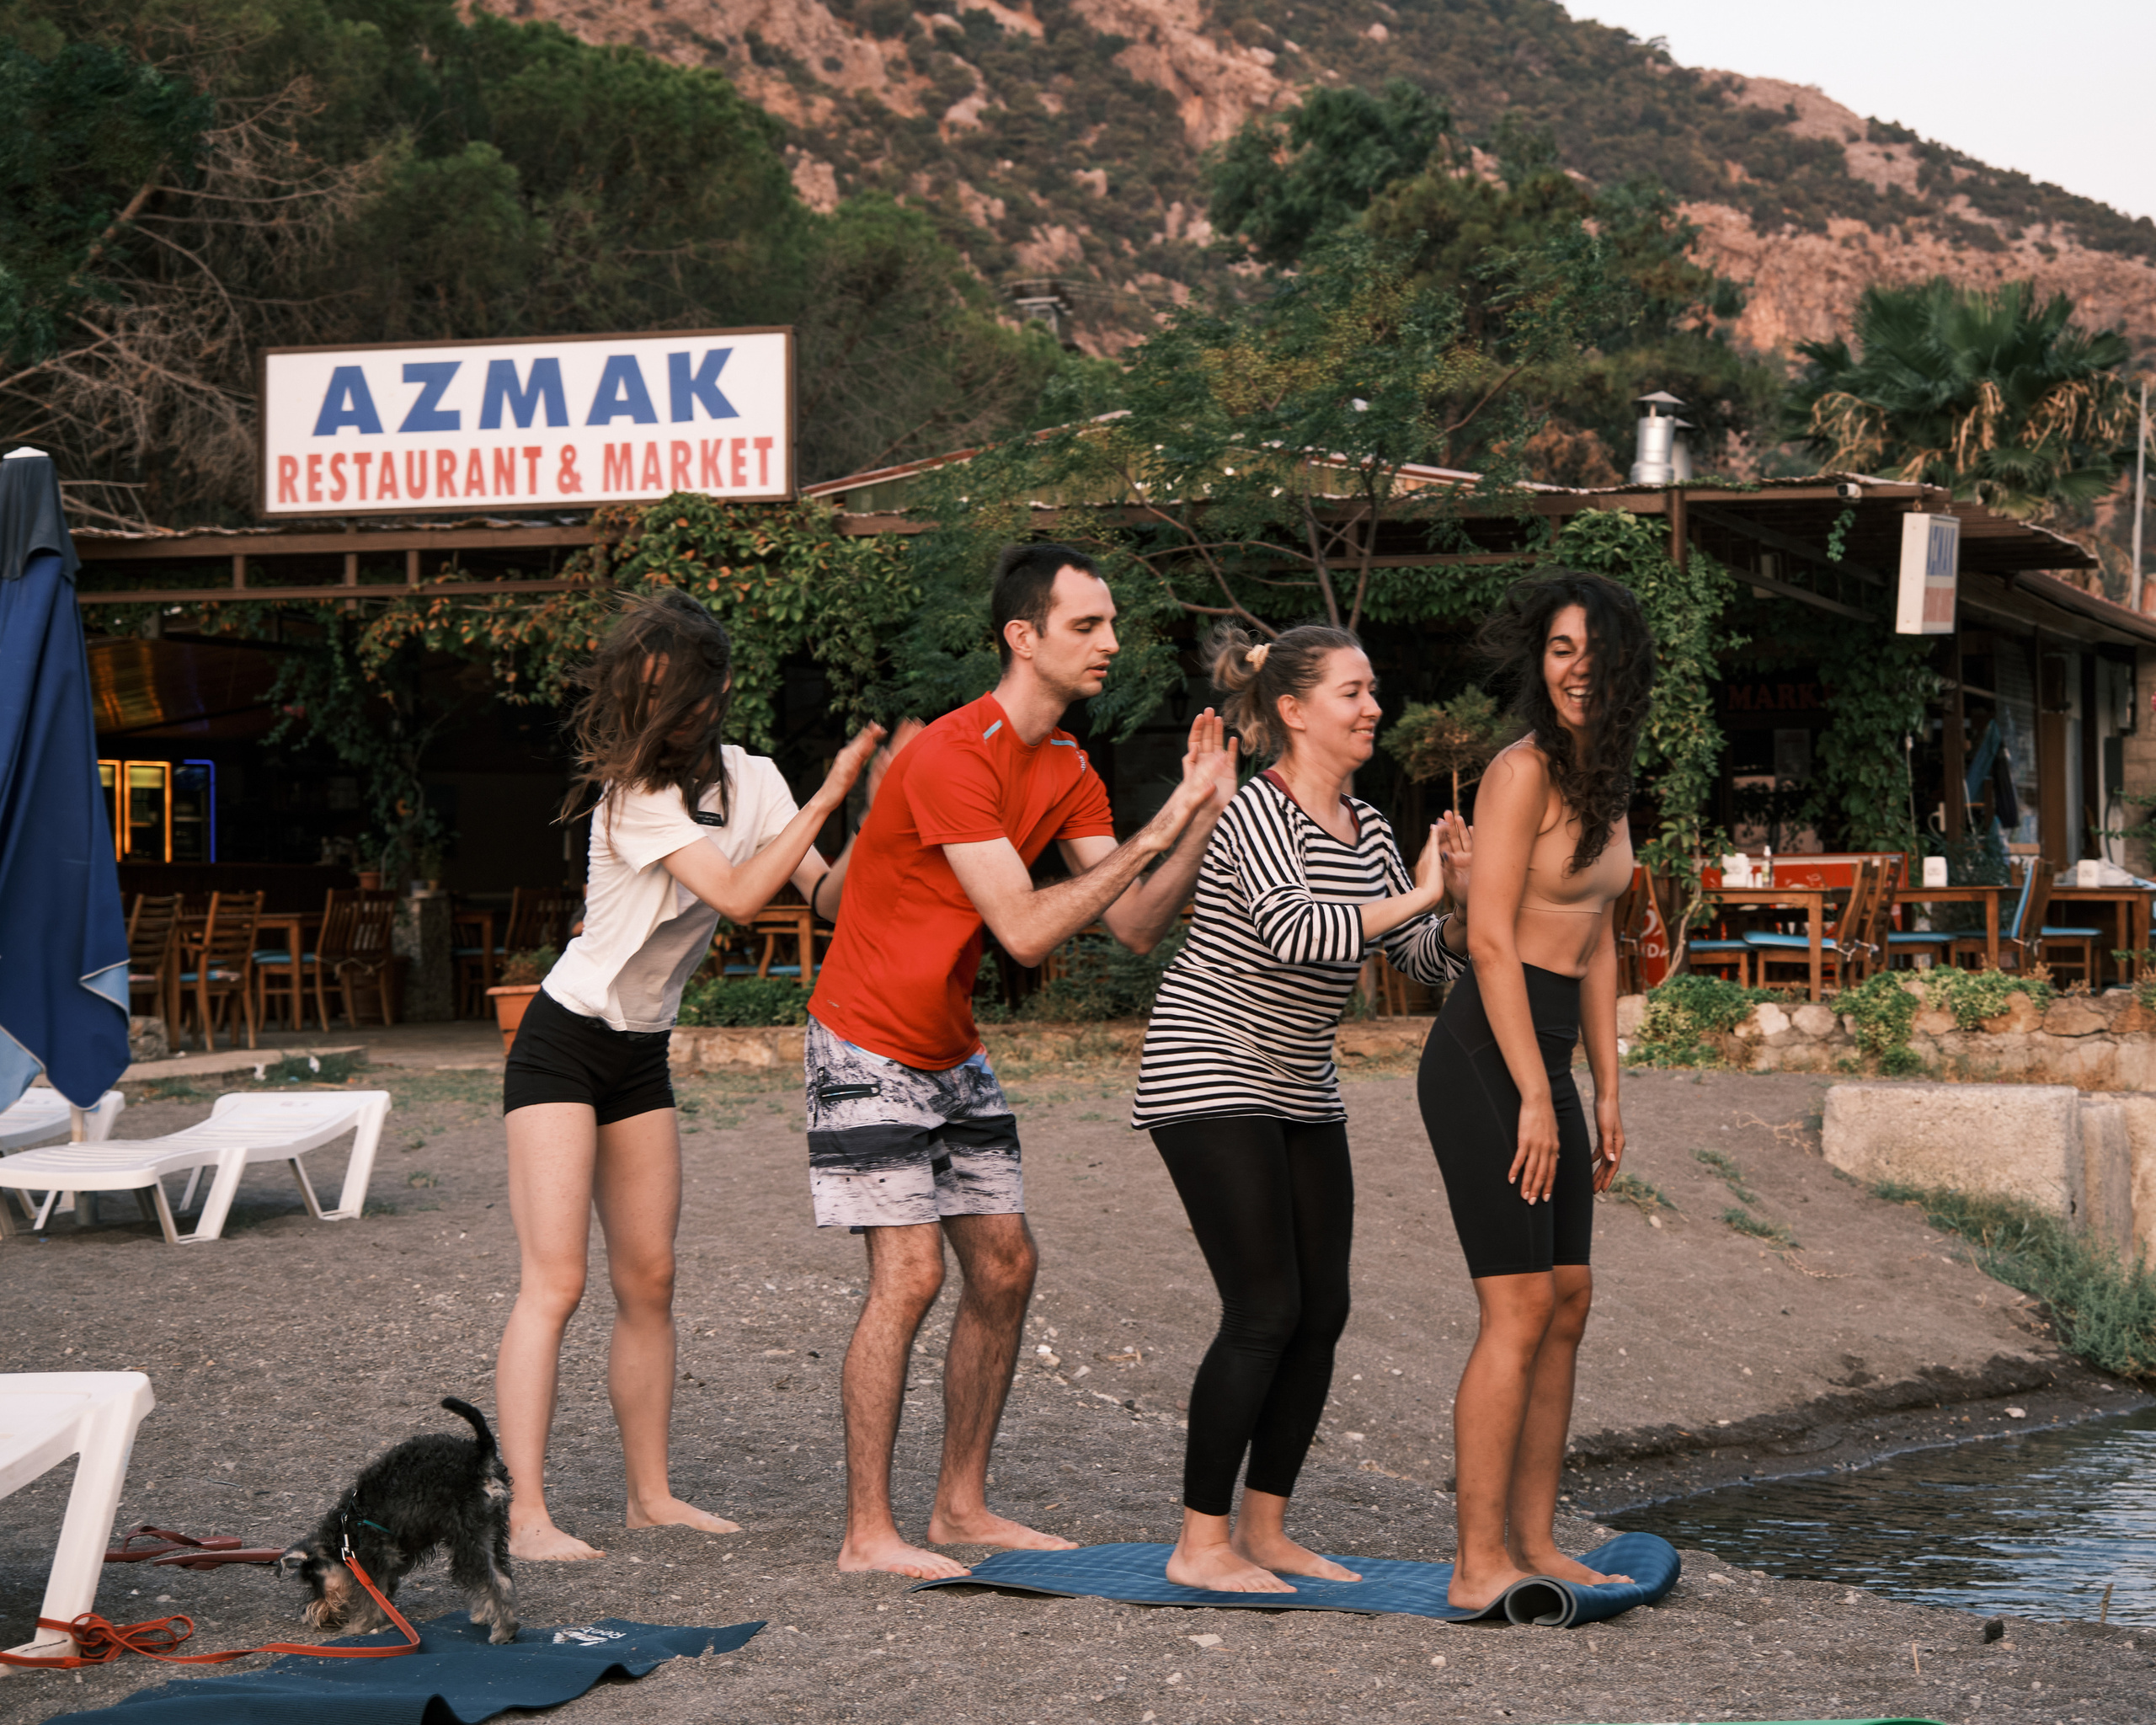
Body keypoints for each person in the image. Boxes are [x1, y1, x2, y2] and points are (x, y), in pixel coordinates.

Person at [804, 542, 1239, 1580]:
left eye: (1111, 623)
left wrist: (1200, 817)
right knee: (907, 1274)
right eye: (1087, 625)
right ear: (1023, 635)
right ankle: (868, 1531)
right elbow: (1027, 930)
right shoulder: (955, 754)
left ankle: (959, 1506)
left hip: (949, 1043)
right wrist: (1167, 820)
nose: (1111, 642)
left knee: (1004, 1263)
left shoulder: (1065, 767)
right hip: (864, 1034)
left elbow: (1132, 921)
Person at [494, 588, 888, 1561]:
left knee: (651, 1277)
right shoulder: (634, 795)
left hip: (638, 1052)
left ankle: (649, 1493)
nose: (659, 711)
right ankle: (526, 1513)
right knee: (556, 1280)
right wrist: (834, 791)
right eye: (645, 691)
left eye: (676, 691)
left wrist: (887, 811)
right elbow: (742, 896)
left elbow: (825, 891)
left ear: (713, 691)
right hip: (560, 1040)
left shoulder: (753, 781)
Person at [1131, 623, 1473, 1593]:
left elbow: (1415, 964)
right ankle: (1199, 1543)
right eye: (1352, 692)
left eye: (1374, 690)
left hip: (1296, 1081)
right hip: (1207, 1067)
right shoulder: (1252, 813)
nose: (1373, 707)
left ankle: (1267, 1527)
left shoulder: (1363, 826)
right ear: (1292, 709)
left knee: (1321, 1307)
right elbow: (1298, 933)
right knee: (1262, 1307)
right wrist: (1420, 895)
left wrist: (1456, 906)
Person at [1415, 569, 1654, 1610]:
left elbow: (1598, 940)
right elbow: (1491, 939)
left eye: (1592, 654)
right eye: (1559, 650)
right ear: (1539, 662)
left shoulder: (1606, 779)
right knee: (1515, 1305)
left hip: (1548, 1060)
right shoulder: (1520, 773)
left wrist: (1603, 1086)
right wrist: (1530, 1092)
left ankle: (1538, 1538)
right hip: (1484, 1056)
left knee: (1568, 1298)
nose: (1574, 670)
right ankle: (1477, 1565)